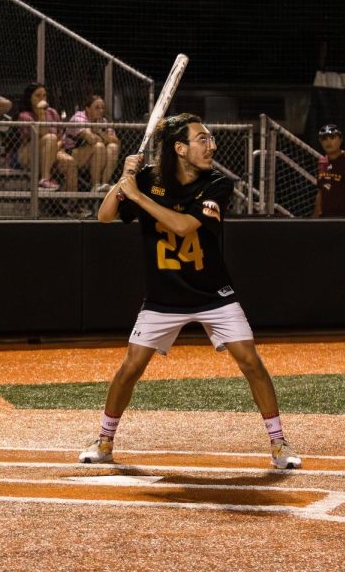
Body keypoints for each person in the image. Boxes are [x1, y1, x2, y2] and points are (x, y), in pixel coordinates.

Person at [79, 113, 302, 470]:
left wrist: (138, 195)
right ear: (180, 148)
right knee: (130, 368)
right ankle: (104, 440)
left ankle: (279, 444)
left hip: (213, 293)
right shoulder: (149, 178)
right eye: (202, 139)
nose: (211, 145)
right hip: (163, 297)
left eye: (210, 138)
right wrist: (123, 181)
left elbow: (183, 227)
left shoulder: (216, 184)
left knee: (251, 363)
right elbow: (105, 216)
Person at [15, 81, 77, 191]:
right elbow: (43, 134)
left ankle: (72, 202)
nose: (42, 99)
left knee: (70, 161)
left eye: (44, 96)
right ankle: (45, 179)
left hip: (51, 151)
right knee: (50, 137)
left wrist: (55, 149)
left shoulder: (52, 112)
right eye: (38, 96)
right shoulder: (24, 116)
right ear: (30, 98)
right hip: (29, 154)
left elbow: (60, 136)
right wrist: (41, 114)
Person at [61, 93, 121, 192]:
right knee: (99, 146)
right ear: (88, 109)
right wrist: (101, 135)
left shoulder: (103, 121)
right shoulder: (79, 118)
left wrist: (100, 132)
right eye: (97, 108)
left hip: (95, 157)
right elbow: (91, 139)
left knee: (113, 147)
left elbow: (116, 141)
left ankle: (104, 184)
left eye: (103, 108)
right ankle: (95, 184)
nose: (101, 111)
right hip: (71, 154)